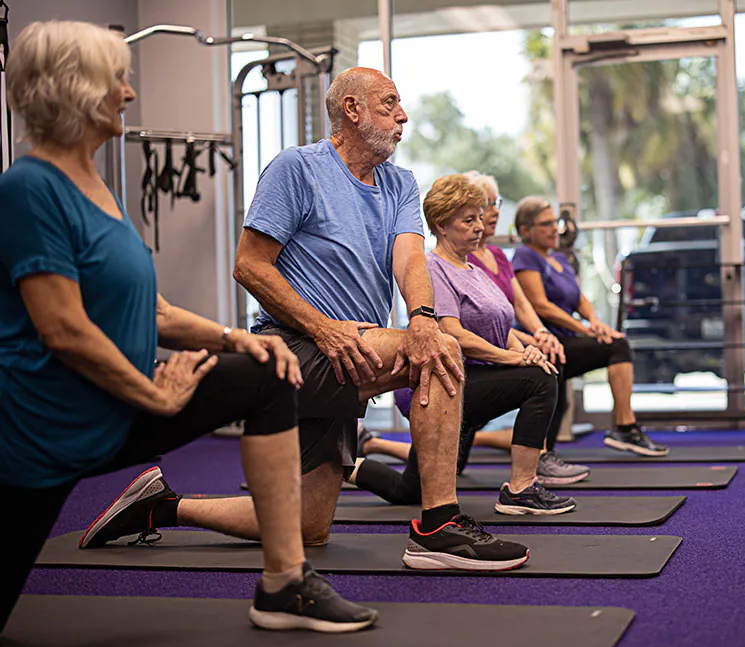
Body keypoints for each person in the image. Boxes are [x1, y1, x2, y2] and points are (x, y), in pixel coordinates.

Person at [0, 21, 376, 634]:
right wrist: (153, 394)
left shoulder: (94, 184)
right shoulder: (28, 188)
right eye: (117, 80)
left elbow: (152, 311)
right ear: (75, 89)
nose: (127, 94)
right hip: (46, 425)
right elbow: (64, 329)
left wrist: (238, 339)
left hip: (115, 402)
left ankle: (285, 583)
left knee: (266, 372)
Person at [83, 67, 527, 571]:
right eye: (390, 103)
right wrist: (326, 328)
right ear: (352, 110)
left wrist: (423, 315)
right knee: (439, 353)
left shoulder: (400, 183)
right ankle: (438, 526)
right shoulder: (296, 169)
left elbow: (408, 258)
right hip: (296, 346)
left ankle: (160, 505)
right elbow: (249, 266)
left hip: (352, 350)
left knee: (308, 526)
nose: (403, 116)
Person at [351, 174, 576, 516]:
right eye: (468, 220)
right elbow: (452, 333)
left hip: (472, 379)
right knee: (541, 381)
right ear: (441, 224)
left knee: (408, 490)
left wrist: (524, 350)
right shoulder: (432, 267)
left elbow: (502, 325)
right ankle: (521, 489)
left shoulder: (473, 268)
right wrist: (512, 361)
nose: (479, 227)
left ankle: (340, 464)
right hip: (440, 385)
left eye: (479, 218)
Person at [512, 196, 668, 457]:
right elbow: (540, 305)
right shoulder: (525, 256)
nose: (554, 229)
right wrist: (585, 329)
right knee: (612, 349)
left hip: (565, 343)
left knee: (616, 343)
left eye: (555, 223)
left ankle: (624, 427)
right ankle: (494, 442)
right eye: (545, 224)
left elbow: (580, 299)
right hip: (540, 343)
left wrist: (595, 322)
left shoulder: (560, 260)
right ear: (526, 230)